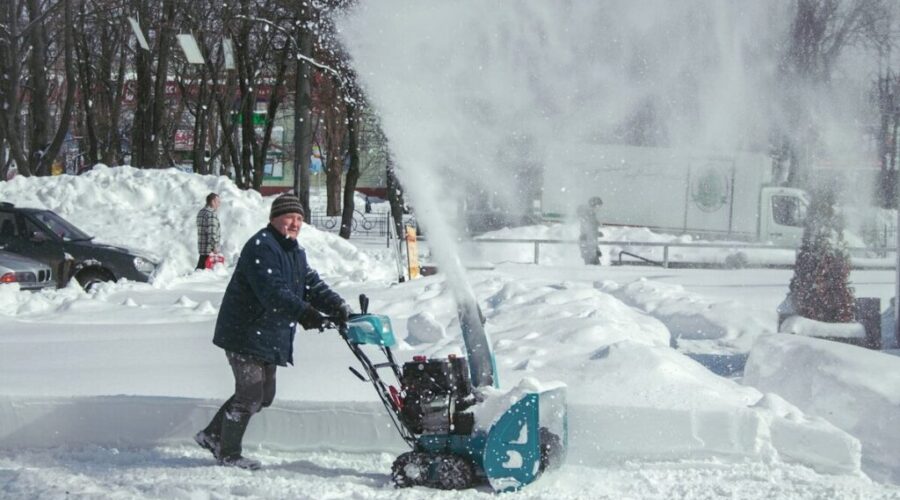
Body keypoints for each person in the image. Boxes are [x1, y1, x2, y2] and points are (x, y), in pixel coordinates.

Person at [194, 194, 352, 469]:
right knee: (250, 394)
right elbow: (273, 292)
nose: (295, 223)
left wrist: (337, 305)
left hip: (268, 334)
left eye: (300, 218)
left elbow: (310, 284)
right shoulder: (262, 247)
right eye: (289, 217)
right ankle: (228, 453)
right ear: (274, 218)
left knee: (264, 396)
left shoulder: (294, 250)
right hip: (245, 332)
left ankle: (212, 435)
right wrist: (306, 314)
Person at [196, 193, 221, 270]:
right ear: (212, 201)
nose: (219, 204)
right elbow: (212, 232)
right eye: (218, 202)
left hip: (202, 248)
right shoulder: (211, 214)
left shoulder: (201, 212)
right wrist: (215, 247)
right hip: (209, 250)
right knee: (204, 273)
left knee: (200, 269)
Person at [577, 196, 603, 265]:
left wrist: (597, 249)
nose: (599, 209)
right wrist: (595, 233)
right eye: (599, 206)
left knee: (593, 266)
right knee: (592, 266)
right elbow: (587, 231)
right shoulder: (588, 216)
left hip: (590, 246)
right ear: (595, 205)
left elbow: (591, 232)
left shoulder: (591, 216)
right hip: (588, 247)